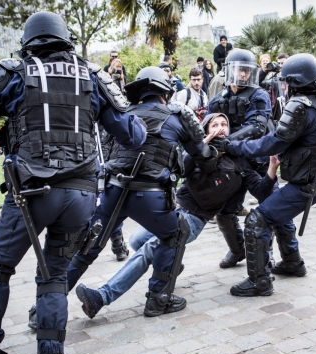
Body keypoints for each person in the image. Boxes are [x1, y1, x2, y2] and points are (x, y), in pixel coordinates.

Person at [0, 12, 146, 354]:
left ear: (29, 41)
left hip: (30, 195)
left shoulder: (14, 72)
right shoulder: (92, 75)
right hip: (82, 195)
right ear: (66, 39)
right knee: (53, 277)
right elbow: (134, 135)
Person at [74, 113, 279, 317]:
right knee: (136, 240)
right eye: (214, 125)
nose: (220, 128)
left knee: (148, 249)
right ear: (205, 131)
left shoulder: (240, 161)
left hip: (193, 219)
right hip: (171, 209)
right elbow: (181, 170)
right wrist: (202, 146)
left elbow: (260, 191)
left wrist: (271, 167)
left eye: (224, 124)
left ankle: (101, 297)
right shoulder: (197, 153)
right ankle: (171, 264)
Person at [66, 66, 218, 318]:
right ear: (164, 93)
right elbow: (203, 157)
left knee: (87, 247)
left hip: (113, 191)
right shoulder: (177, 115)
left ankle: (43, 308)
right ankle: (158, 299)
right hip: (150, 196)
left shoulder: (124, 113)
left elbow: (104, 147)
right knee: (175, 233)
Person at [211, 53, 316, 296]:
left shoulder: (301, 105)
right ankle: (292, 262)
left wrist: (231, 145)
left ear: (295, 82)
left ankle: (259, 282)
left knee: (257, 220)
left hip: (308, 182)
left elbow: (270, 142)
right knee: (276, 213)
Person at [208, 48, 272, 269]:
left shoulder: (259, 95)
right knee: (225, 210)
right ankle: (237, 250)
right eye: (238, 70)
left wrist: (227, 143)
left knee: (270, 208)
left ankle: (273, 253)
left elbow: (257, 127)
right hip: (231, 163)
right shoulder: (218, 100)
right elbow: (209, 124)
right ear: (228, 71)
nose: (242, 75)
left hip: (257, 160)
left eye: (246, 71)